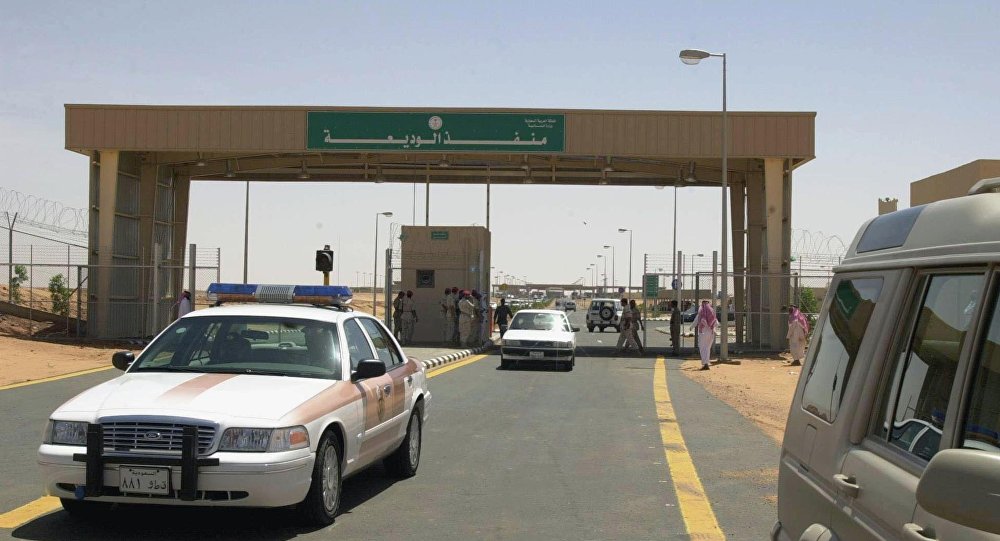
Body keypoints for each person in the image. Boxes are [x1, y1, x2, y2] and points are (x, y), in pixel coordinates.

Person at [690, 300, 717, 370]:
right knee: (707, 348)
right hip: (711, 333)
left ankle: (705, 364)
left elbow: (696, 321)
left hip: (703, 333)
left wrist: (691, 327)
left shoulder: (701, 312)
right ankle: (706, 362)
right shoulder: (712, 313)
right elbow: (716, 323)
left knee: (702, 348)